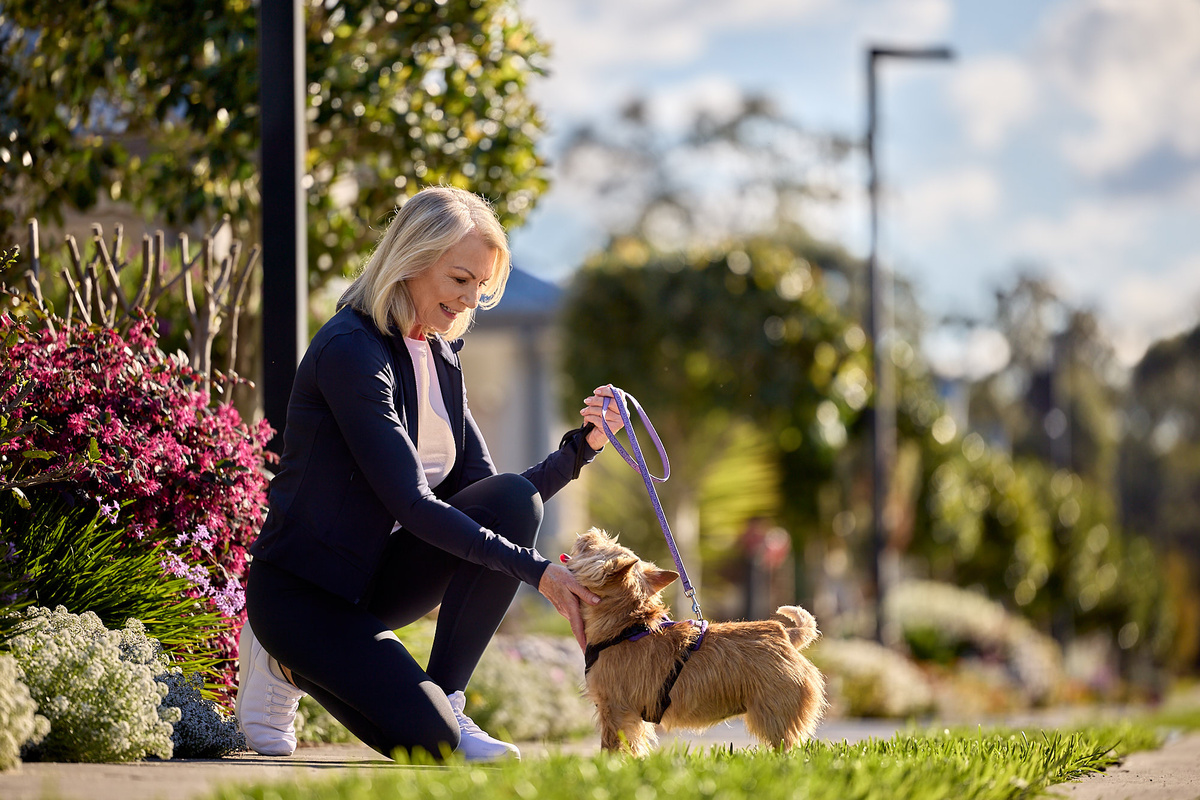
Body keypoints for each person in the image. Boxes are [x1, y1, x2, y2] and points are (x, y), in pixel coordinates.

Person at [235, 185, 624, 762]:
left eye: (481, 288)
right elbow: (411, 503)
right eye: (460, 280)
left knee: (514, 502)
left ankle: (447, 698)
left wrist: (584, 447)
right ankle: (281, 654)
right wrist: (540, 573)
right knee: (432, 745)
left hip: (375, 588)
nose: (470, 302)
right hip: (304, 593)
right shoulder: (351, 349)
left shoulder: (439, 356)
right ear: (413, 260)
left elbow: (498, 501)